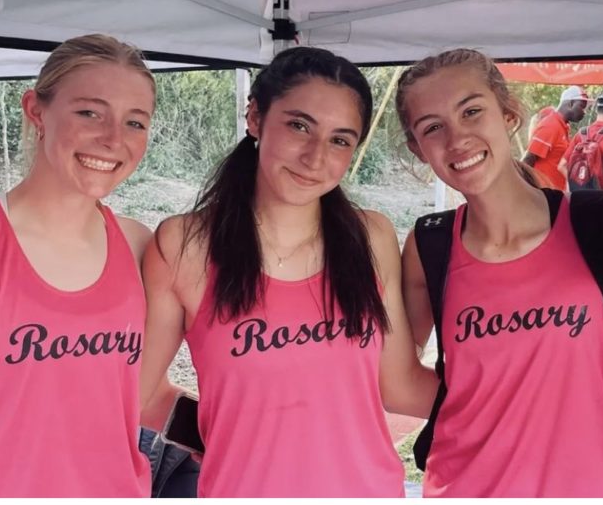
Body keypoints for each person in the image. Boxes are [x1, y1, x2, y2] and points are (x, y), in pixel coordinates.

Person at [139, 46, 438, 498]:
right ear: (256, 117)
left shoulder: (369, 236)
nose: (315, 157)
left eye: (340, 139)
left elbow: (400, 385)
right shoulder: (185, 245)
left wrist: (525, 395)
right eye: (299, 126)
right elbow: (138, 393)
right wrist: (222, 433)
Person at [396, 49, 603, 497]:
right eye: (433, 127)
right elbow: (396, 383)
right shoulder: (428, 243)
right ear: (417, 146)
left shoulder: (594, 223)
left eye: (472, 111)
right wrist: (489, 403)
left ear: (507, 113)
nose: (458, 138)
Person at [0, 34, 155, 497]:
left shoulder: (139, 245)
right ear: (36, 110)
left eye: (135, 122)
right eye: (89, 112)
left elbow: (140, 395)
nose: (114, 139)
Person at [522, 85, 590, 190]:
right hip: (543, 194)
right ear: (571, 103)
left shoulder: (563, 127)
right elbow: (528, 159)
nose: (584, 112)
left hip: (555, 192)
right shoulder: (551, 125)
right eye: (582, 106)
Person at [561, 92, 603, 191]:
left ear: (597, 111)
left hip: (577, 198)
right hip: (601, 198)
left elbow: (562, 165)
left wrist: (577, 186)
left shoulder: (582, 133)